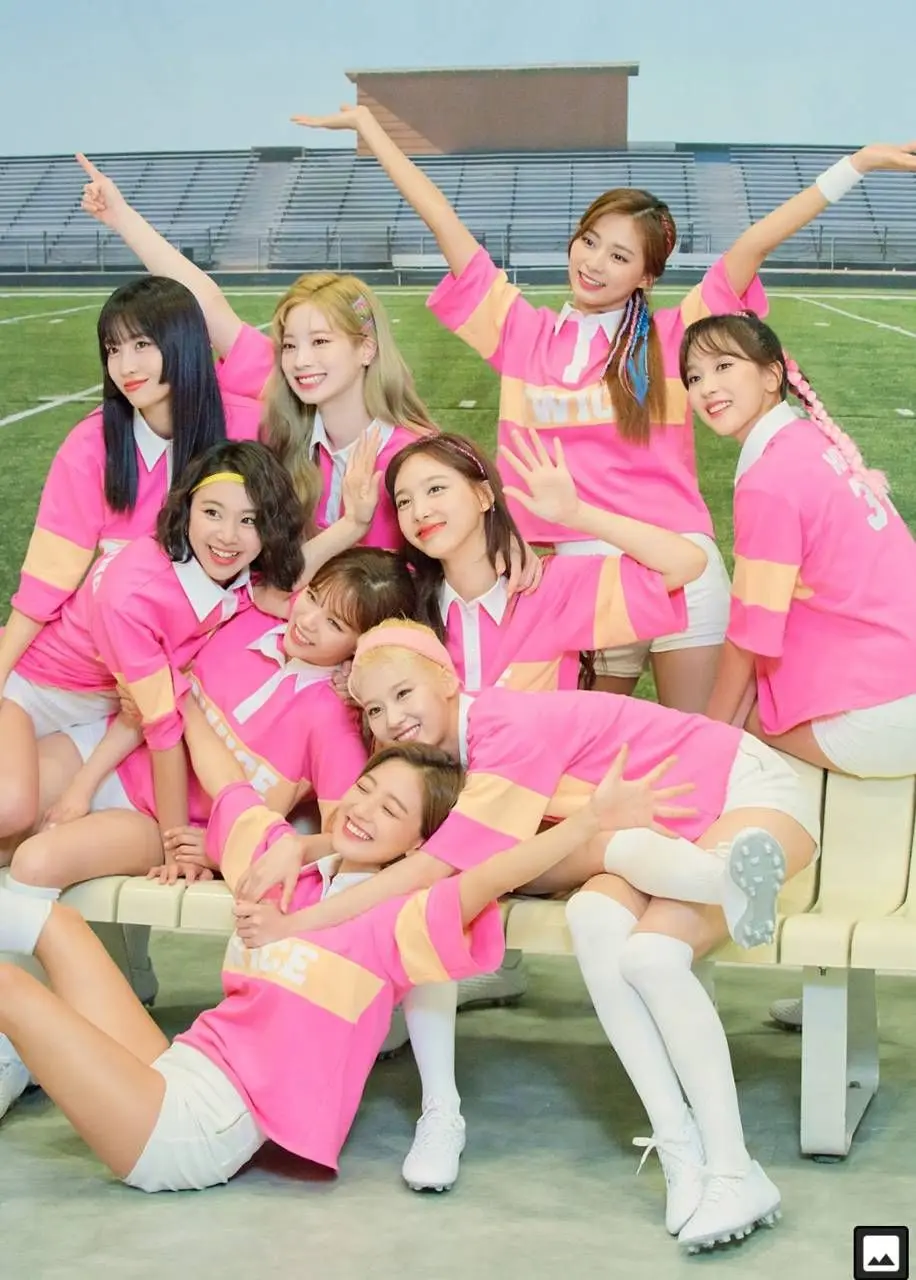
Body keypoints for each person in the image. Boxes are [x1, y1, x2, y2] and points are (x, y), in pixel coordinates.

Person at [294, 105, 916, 710]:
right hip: (577, 585)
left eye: (619, 256)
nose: (593, 263)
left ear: (646, 276)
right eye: (589, 241)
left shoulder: (673, 339)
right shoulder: (521, 331)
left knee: (697, 750)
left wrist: (855, 166)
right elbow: (444, 222)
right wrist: (371, 128)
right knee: (574, 754)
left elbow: (751, 246)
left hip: (678, 567)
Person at [239, 620, 818, 1220]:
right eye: (375, 710)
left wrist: (296, 926)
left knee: (652, 954)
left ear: (447, 681)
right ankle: (680, 1150)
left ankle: (723, 886)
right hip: (653, 835)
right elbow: (403, 846)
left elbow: (428, 869)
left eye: (404, 693)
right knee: (594, 920)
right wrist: (300, 846)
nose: (391, 718)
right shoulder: (449, 763)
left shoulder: (502, 727)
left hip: (737, 792)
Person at [0, 699, 678, 1195]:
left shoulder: (397, 923)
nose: (362, 811)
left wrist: (588, 822)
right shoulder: (282, 867)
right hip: (175, 1067)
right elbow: (227, 782)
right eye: (365, 789)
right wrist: (178, 696)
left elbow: (492, 874)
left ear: (419, 843)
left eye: (391, 811)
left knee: (9, 988)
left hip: (193, 1131)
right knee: (57, 926)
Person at [683, 312, 916, 1033]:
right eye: (694, 376)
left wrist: (709, 732)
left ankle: (779, 945)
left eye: (724, 366)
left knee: (740, 744)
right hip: (896, 680)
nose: (707, 387)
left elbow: (750, 634)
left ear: (772, 374)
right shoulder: (809, 441)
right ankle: (832, 991)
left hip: (887, 707)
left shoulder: (772, 478)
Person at [75, 154, 437, 553]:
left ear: (366, 348)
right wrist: (121, 217)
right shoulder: (285, 407)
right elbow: (208, 305)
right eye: (289, 345)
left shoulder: (417, 456)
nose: (301, 360)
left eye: (320, 342)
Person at [0, 275, 261, 699]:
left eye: (142, 344)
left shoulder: (250, 427)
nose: (125, 367)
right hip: (79, 667)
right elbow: (48, 578)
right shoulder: (91, 445)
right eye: (113, 349)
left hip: (185, 673)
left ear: (185, 343)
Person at [389, 429, 704, 692]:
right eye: (404, 501)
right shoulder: (402, 604)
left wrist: (577, 514)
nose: (419, 511)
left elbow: (685, 564)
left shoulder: (553, 588)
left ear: (483, 496)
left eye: (436, 489)